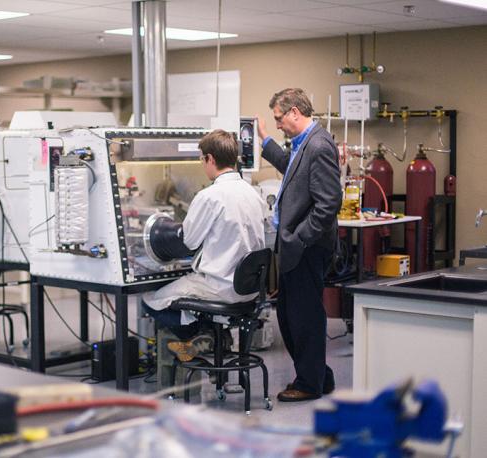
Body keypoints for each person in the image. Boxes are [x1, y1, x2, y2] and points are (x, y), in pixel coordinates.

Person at [142, 129, 265, 363]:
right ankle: (215, 333)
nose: (202, 164)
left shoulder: (210, 196)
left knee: (152, 301)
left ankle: (202, 335)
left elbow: (189, 241)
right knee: (183, 295)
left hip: (219, 287)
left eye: (201, 159)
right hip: (249, 290)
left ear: (210, 159)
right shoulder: (252, 193)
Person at [256, 88, 342, 402]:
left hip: (307, 247)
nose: (278, 124)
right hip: (296, 246)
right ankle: (320, 376)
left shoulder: (318, 145)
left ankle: (309, 383)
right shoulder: (304, 143)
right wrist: (265, 141)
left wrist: (300, 237)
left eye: (279, 118)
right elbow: (292, 171)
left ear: (294, 111)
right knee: (291, 316)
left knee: (303, 318)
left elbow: (329, 202)